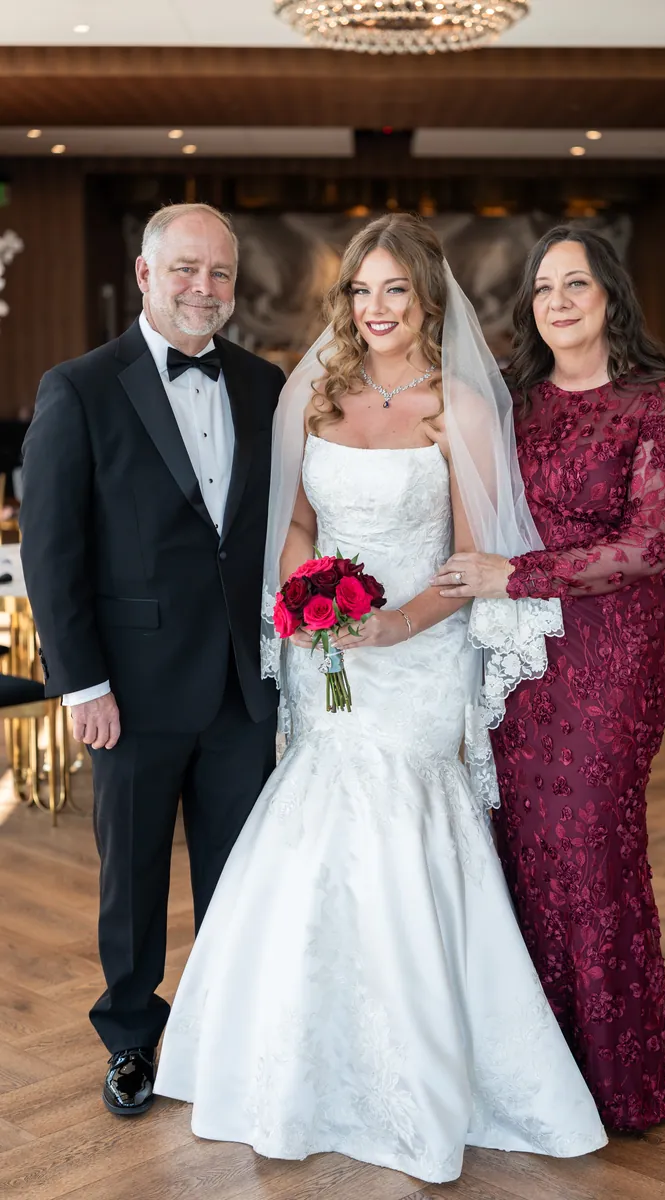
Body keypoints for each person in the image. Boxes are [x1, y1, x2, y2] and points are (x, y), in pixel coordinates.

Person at [154, 214, 607, 1182]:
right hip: (331, 662)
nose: (375, 309)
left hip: (420, 657)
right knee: (316, 827)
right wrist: (310, 601)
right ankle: (298, 1064)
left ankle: (425, 1072)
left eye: (395, 290)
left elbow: (479, 559)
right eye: (361, 291)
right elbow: (295, 523)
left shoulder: (460, 412)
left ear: (425, 300)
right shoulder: (312, 399)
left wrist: (395, 625)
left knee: (401, 831)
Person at [20, 203, 284, 1116]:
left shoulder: (265, 384)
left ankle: (219, 1034)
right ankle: (132, 1038)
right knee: (130, 878)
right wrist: (82, 681)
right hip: (126, 692)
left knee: (237, 878)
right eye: (184, 271)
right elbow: (52, 553)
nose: (202, 289)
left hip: (245, 690)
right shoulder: (79, 387)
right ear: (144, 274)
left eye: (218, 274)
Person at [434, 226, 665, 1131]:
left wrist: (517, 576)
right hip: (519, 661)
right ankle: (539, 1074)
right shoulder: (514, 399)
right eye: (543, 288)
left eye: (575, 283)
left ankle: (623, 1081)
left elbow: (648, 546)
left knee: (595, 848)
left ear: (609, 296)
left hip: (611, 657)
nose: (556, 301)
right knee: (521, 850)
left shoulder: (656, 403)